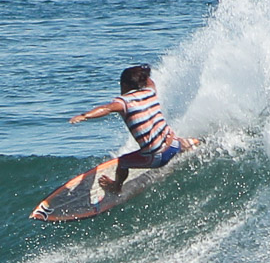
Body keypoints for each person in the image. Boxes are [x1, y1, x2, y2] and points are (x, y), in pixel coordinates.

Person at [68, 63, 199, 194]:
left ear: (124, 85)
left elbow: (106, 108)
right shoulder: (151, 91)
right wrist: (143, 73)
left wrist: (84, 116)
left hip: (157, 157)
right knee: (183, 141)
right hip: (174, 144)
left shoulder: (124, 102)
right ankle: (196, 144)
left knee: (122, 162)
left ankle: (116, 187)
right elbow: (149, 81)